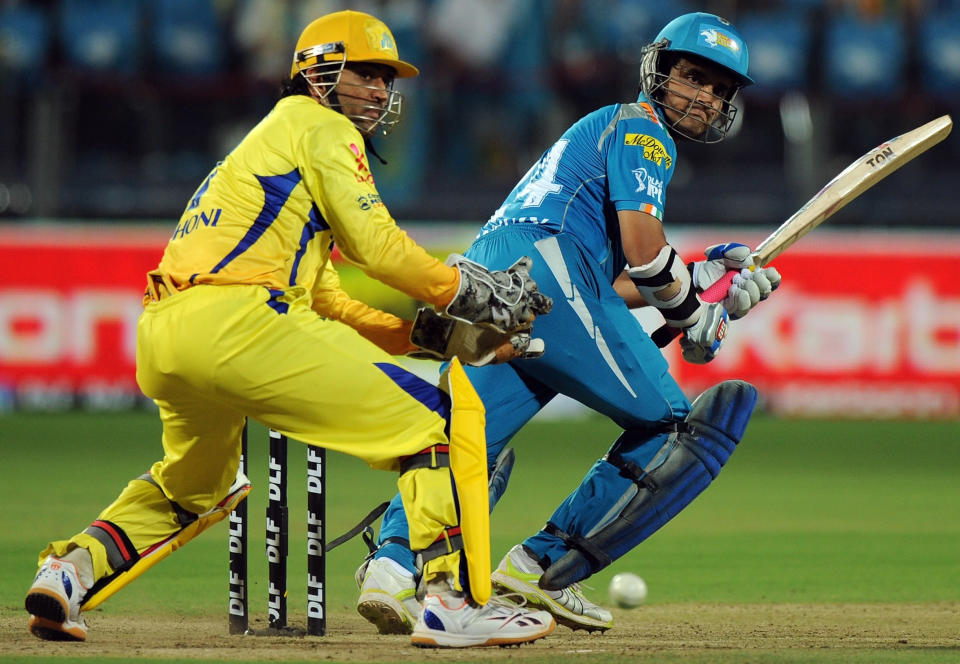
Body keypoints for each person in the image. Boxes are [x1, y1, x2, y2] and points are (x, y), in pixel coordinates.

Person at [23, 10, 556, 649]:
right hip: (244, 321)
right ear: (317, 72)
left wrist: (440, 336)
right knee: (439, 425)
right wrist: (465, 290)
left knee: (196, 488)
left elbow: (328, 300)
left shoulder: (264, 146)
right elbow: (376, 247)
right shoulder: (321, 126)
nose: (380, 90)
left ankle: (71, 569)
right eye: (364, 73)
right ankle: (450, 599)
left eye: (387, 78)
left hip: (167, 333)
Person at [354, 12, 782, 634]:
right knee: (675, 428)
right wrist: (699, 314)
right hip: (550, 276)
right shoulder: (644, 132)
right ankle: (539, 566)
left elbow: (612, 286)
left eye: (719, 89)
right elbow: (645, 257)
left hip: (497, 275)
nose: (705, 96)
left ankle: (392, 568)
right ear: (659, 71)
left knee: (471, 439)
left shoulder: (606, 127)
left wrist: (705, 279)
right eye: (693, 77)